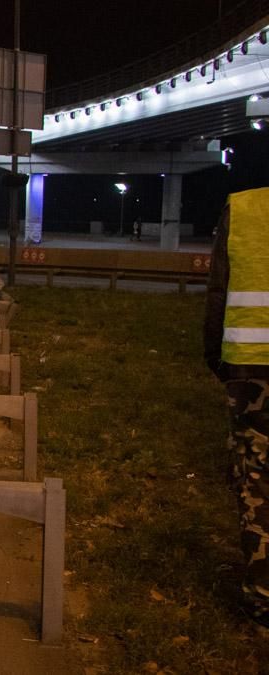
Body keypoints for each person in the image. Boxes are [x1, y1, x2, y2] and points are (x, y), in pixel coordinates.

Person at [204, 187, 269, 630]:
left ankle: (263, 597)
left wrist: (216, 357)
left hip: (251, 369)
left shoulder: (246, 208)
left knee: (258, 480)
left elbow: (218, 292)